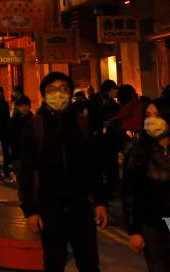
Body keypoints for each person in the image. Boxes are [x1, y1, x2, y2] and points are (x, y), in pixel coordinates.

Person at [18, 71, 108, 272]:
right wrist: (30, 211)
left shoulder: (82, 124)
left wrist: (100, 201)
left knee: (89, 262)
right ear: (44, 95)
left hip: (80, 206)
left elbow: (93, 166)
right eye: (51, 90)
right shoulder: (33, 127)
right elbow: (26, 171)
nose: (57, 94)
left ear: (70, 93)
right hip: (49, 207)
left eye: (63, 89)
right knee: (54, 262)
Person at [122, 100, 170, 272]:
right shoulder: (138, 153)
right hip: (153, 228)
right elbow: (130, 194)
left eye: (157, 116)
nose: (152, 121)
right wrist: (133, 230)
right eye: (148, 116)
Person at [7, 95, 33, 183]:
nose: (25, 108)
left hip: (31, 154)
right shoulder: (13, 121)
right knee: (21, 179)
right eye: (22, 106)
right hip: (18, 153)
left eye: (26, 105)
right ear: (17, 107)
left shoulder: (33, 119)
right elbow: (11, 138)